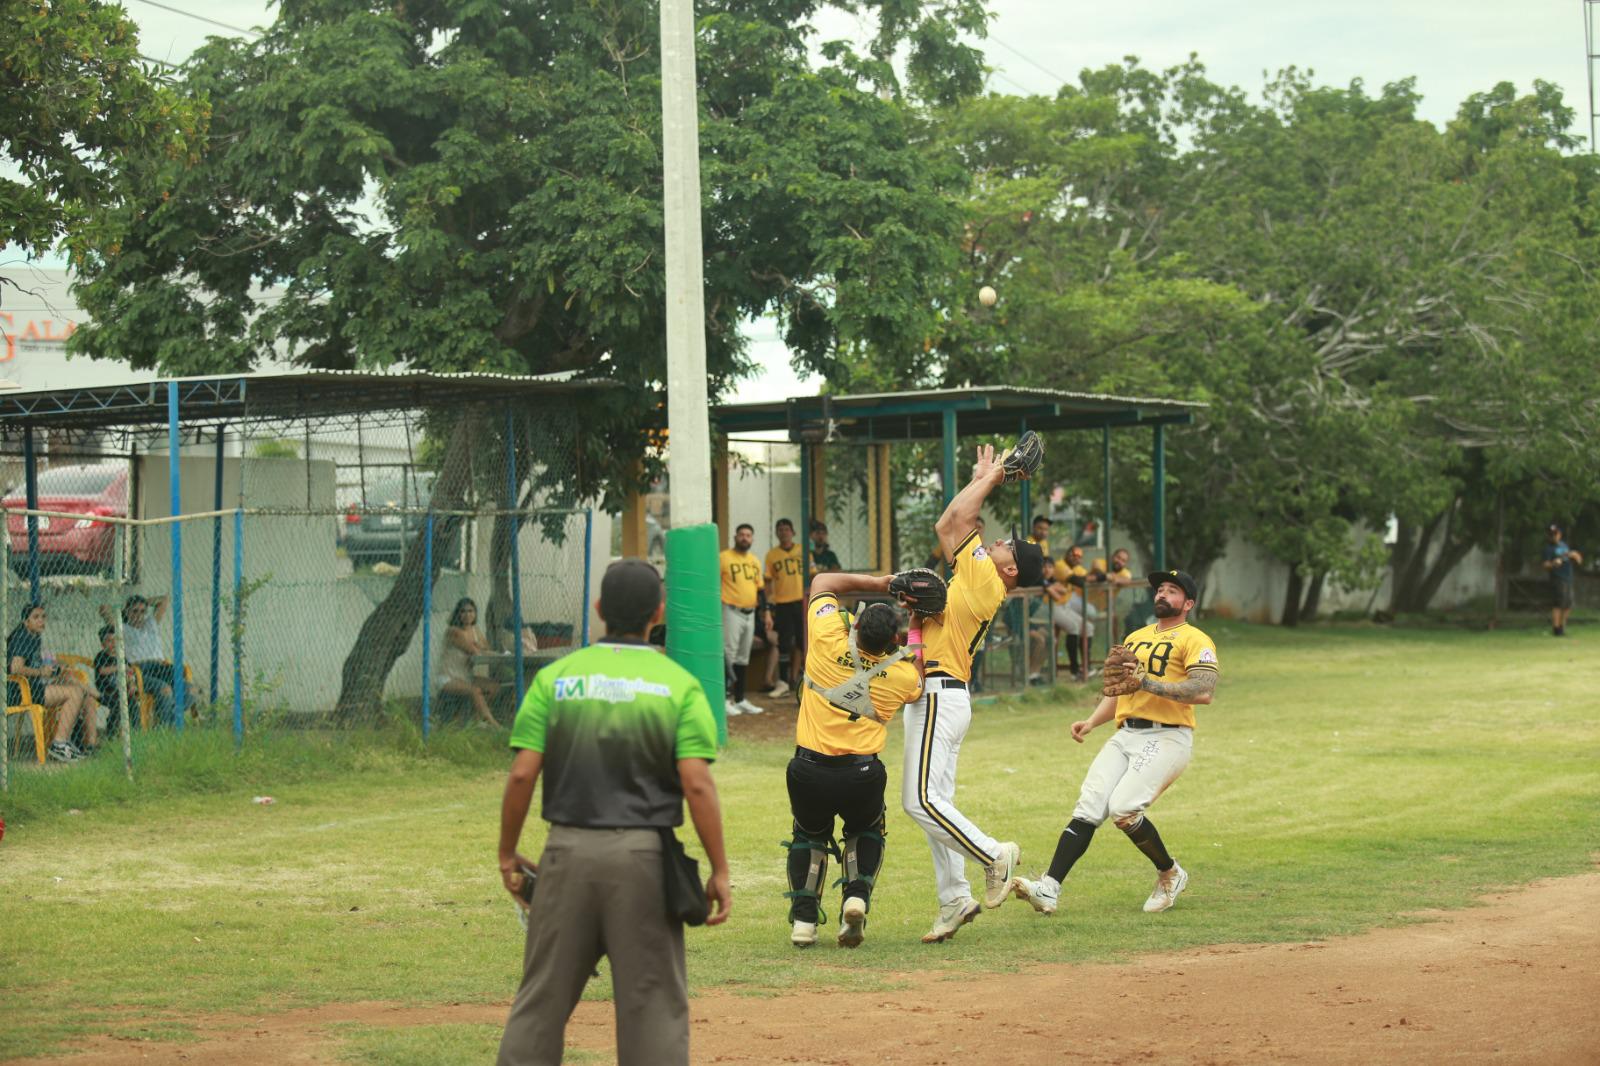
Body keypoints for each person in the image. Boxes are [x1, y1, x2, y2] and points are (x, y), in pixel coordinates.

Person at [496, 559, 730, 1066]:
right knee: (652, 1008)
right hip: (644, 859)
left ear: (599, 610)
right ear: (659, 613)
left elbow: (520, 775)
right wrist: (720, 869)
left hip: (565, 854)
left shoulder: (556, 679)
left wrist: (508, 853)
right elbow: (696, 782)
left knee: (539, 1004)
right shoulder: (678, 685)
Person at [1013, 569, 1218, 917]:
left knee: (1123, 809)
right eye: (1160, 589)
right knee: (1088, 807)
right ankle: (1048, 888)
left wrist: (1148, 684)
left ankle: (1170, 873)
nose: (1163, 594)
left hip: (1167, 736)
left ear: (1189, 603)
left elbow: (1203, 690)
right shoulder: (1136, 637)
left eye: (1172, 590)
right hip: (1126, 734)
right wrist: (1092, 721)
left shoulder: (1195, 639)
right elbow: (1119, 691)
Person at [903, 445, 1045, 943]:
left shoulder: (986, 578)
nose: (998, 542)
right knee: (936, 803)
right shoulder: (979, 575)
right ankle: (955, 898)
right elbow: (953, 521)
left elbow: (954, 522)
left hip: (939, 696)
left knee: (918, 800)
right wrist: (983, 477)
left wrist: (996, 477)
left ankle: (993, 854)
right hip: (945, 696)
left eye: (1007, 545)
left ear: (1010, 570)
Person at [783, 570, 923, 949]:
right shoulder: (900, 676)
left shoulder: (827, 637)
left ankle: (805, 923)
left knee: (808, 835)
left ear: (856, 625)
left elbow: (823, 582)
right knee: (865, 832)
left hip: (808, 768)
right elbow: (918, 678)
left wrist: (885, 583)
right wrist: (918, 623)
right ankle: (856, 896)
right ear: (892, 641)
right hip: (862, 772)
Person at [7, 603, 99, 762]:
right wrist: (42, 672)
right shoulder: (22, 637)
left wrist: (57, 667)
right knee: (75, 692)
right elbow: (16, 668)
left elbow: (36, 663)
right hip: (20, 691)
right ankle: (59, 744)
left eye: (43, 617)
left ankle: (89, 745)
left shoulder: (33, 637)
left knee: (80, 690)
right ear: (25, 621)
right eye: (36, 617)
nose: (41, 620)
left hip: (35, 688)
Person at [104, 595, 176, 724]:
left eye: (142, 611)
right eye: (134, 611)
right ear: (127, 611)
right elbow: (104, 609)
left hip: (160, 667)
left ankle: (173, 724)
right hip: (140, 670)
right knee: (165, 690)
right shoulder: (122, 628)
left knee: (189, 689)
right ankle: (165, 728)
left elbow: (165, 599)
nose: (138, 615)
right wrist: (125, 608)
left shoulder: (151, 623)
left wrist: (144, 602)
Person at [719, 523, 765, 717]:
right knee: (728, 654)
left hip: (750, 612)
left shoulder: (755, 560)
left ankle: (740, 699)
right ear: (735, 537)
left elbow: (760, 589)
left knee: (742, 656)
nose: (745, 538)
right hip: (730, 609)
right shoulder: (724, 558)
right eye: (741, 535)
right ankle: (724, 699)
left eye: (748, 535)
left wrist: (767, 613)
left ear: (752, 538)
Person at [439, 597, 503, 727]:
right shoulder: (453, 631)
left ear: (475, 613)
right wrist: (477, 647)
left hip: (466, 677)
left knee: (494, 687)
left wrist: (478, 647)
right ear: (458, 613)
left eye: (471, 611)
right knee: (475, 691)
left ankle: (476, 719)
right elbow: (473, 650)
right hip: (449, 678)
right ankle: (494, 725)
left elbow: (486, 648)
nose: (467, 615)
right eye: (463, 611)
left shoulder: (475, 630)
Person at [764, 518, 806, 698]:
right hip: (783, 603)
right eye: (780, 530)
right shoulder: (772, 555)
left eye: (787, 529)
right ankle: (782, 681)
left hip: (801, 601)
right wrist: (768, 606)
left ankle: (798, 677)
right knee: (784, 642)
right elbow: (767, 582)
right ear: (776, 533)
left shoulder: (803, 551)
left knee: (802, 641)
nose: (783, 532)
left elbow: (812, 574)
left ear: (793, 532)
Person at [1050, 545, 1094, 679]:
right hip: (1051, 605)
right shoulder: (1060, 565)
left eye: (1079, 556)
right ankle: (1074, 670)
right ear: (1067, 554)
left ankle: (1085, 666)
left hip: (1064, 606)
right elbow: (1078, 581)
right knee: (1073, 627)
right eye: (1073, 554)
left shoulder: (1076, 568)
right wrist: (1088, 578)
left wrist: (1092, 577)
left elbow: (1090, 577)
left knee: (1088, 627)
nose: (1075, 558)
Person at [93, 624, 140, 737]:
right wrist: (120, 667)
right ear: (102, 645)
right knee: (118, 705)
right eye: (109, 641)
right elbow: (102, 670)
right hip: (106, 691)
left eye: (115, 640)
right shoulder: (101, 656)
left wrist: (132, 684)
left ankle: (136, 731)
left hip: (123, 689)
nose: (113, 643)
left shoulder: (122, 657)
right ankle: (111, 733)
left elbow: (130, 673)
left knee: (133, 703)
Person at [1542, 523, 1583, 637]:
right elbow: (1545, 565)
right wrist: (1553, 563)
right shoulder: (1548, 549)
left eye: (1555, 534)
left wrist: (1575, 555)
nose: (1553, 536)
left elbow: (1577, 559)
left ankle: (1562, 626)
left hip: (1568, 577)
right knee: (1559, 603)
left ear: (1559, 534)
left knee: (1568, 603)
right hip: (1557, 578)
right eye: (1551, 534)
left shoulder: (1564, 546)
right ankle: (1556, 629)